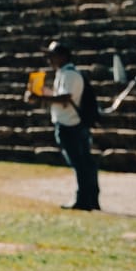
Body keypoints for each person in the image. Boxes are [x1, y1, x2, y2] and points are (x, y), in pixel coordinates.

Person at [31, 40, 101, 211]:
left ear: (62, 56)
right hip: (70, 123)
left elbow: (65, 99)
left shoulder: (70, 75)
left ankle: (84, 199)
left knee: (79, 163)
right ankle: (91, 198)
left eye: (52, 55)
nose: (49, 59)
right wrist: (44, 93)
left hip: (70, 125)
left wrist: (41, 98)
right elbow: (61, 96)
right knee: (84, 162)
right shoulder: (64, 73)